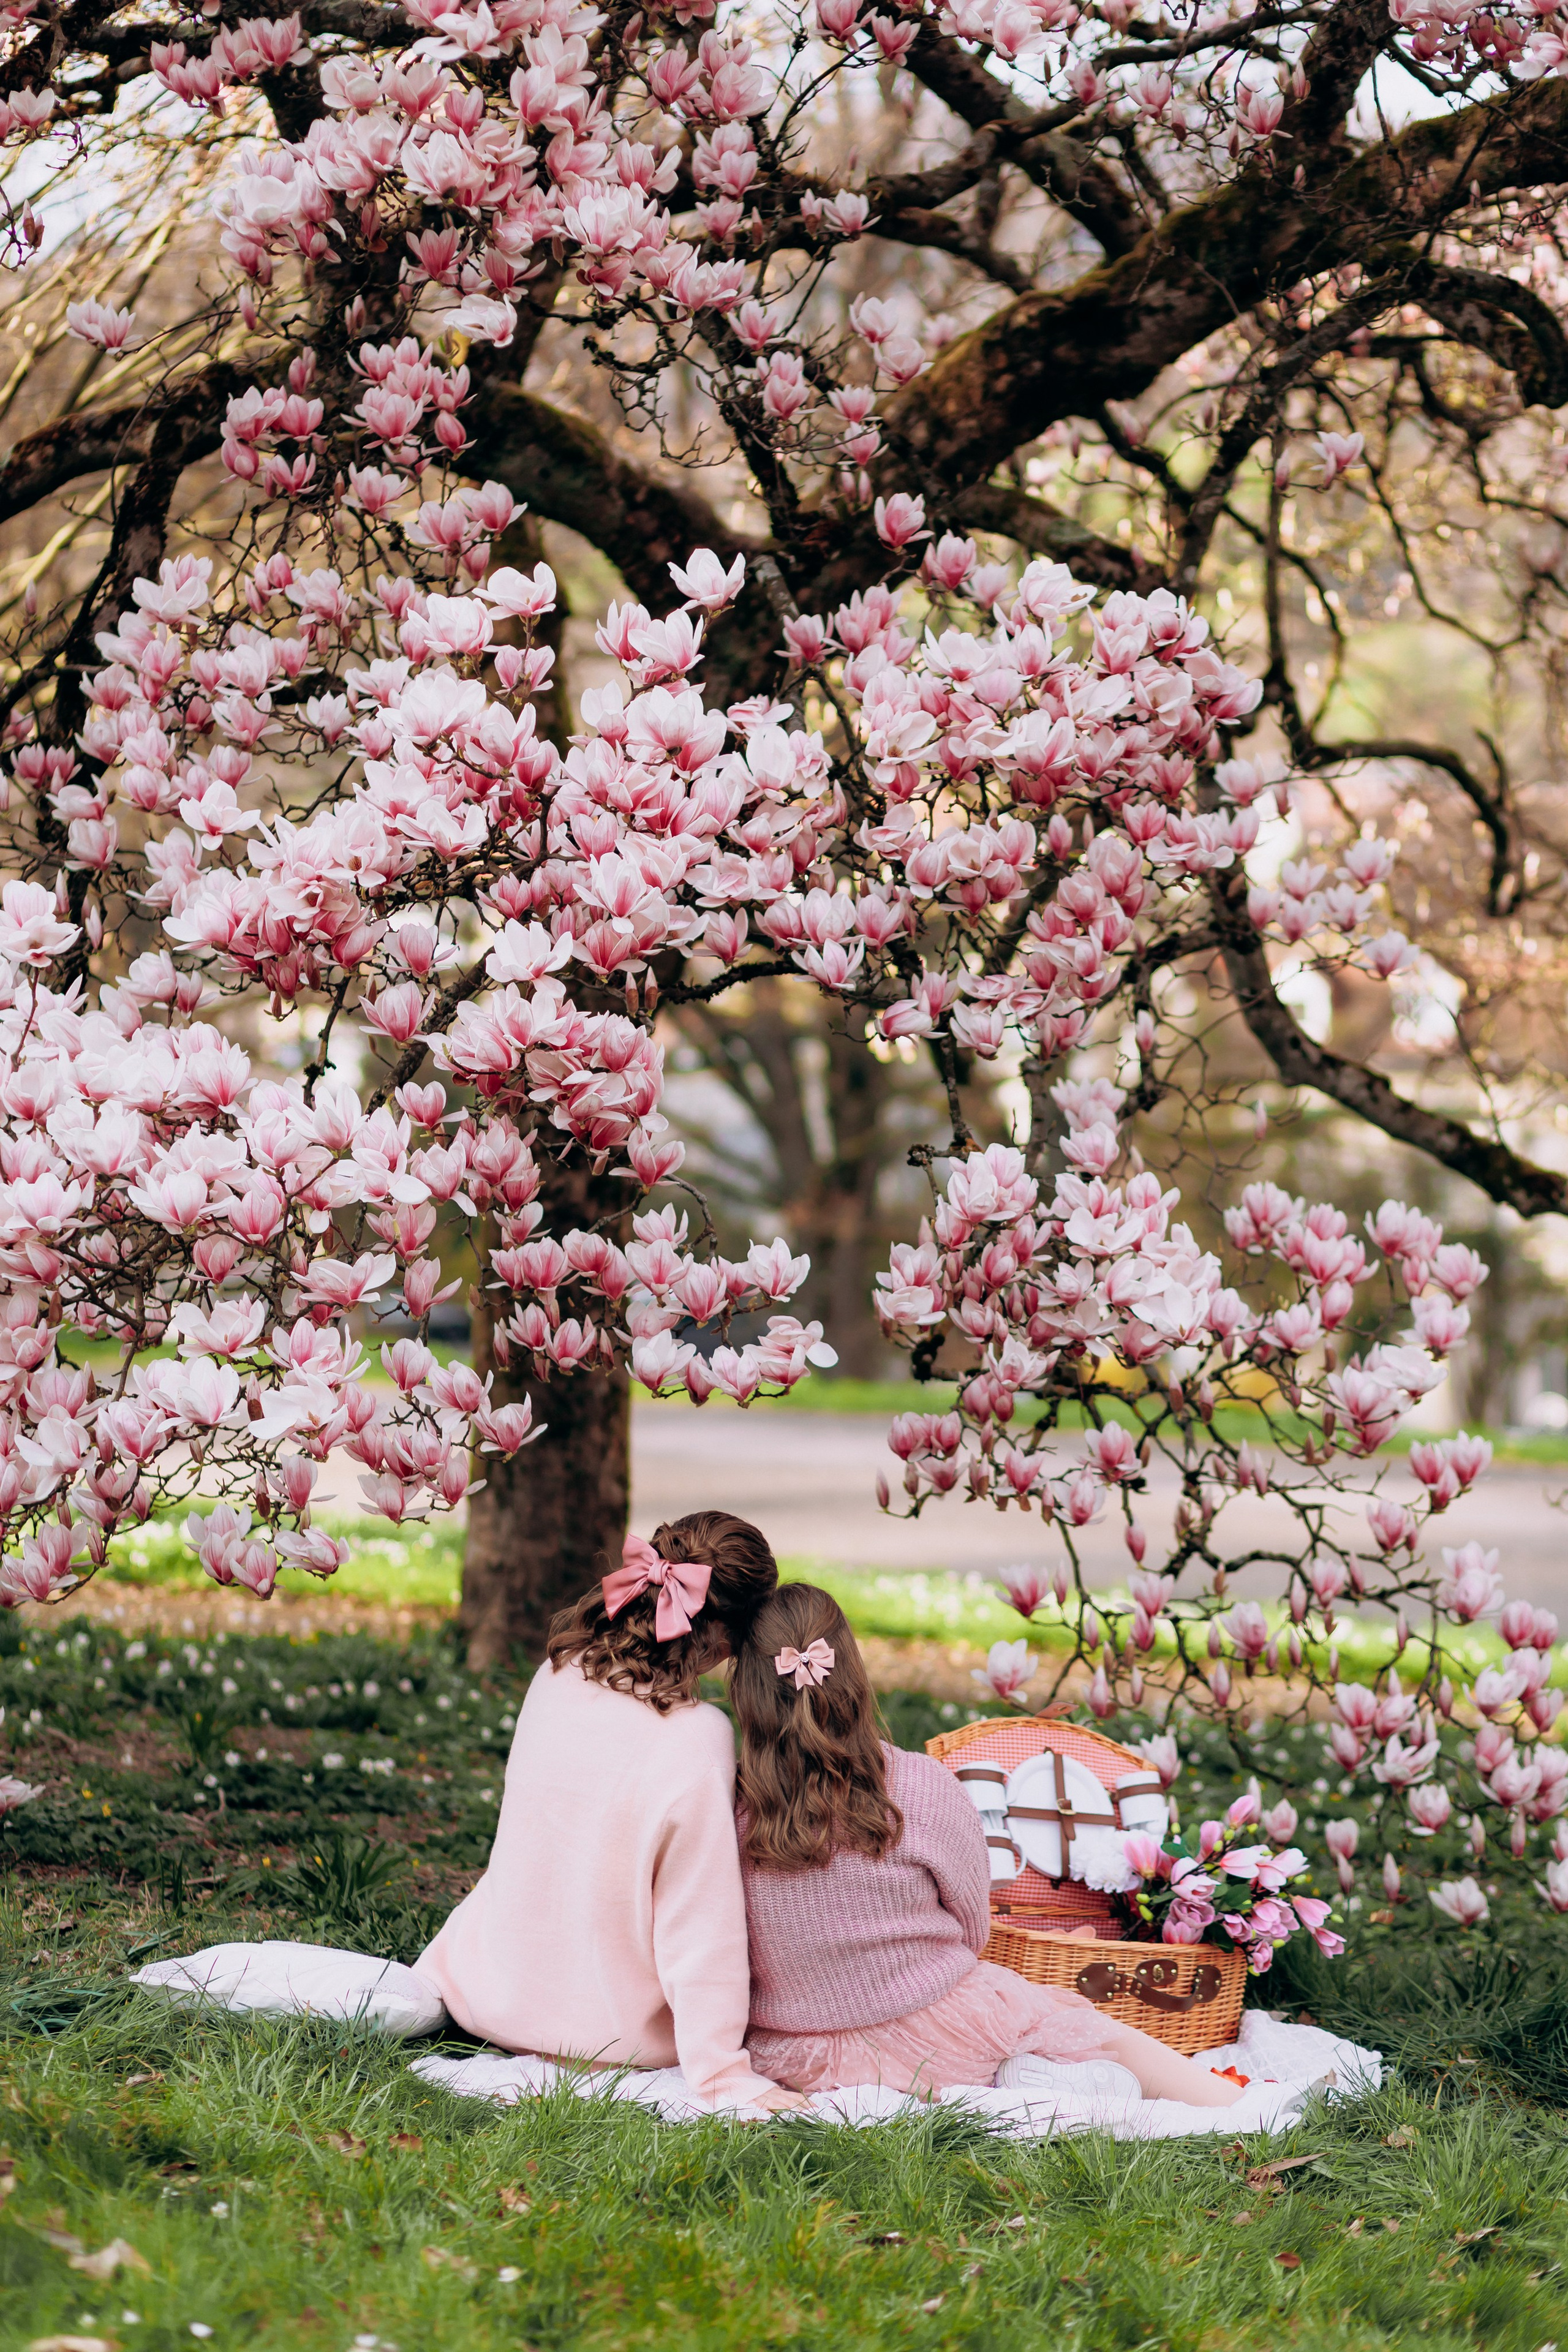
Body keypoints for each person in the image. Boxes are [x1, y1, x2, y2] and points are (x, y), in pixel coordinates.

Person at [731, 1583, 1247, 2107]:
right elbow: (974, 1927)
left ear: (747, 1692)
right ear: (853, 1676)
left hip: (797, 2057)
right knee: (1060, 2015)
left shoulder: (731, 1808)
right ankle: (1228, 2103)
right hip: (944, 2034)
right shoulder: (921, 1786)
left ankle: (1027, 2081)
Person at [417, 1510, 804, 2112]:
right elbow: (700, 1928)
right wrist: (721, 2072)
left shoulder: (557, 1672)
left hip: (490, 1989)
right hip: (606, 2035)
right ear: (731, 1636)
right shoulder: (696, 1737)